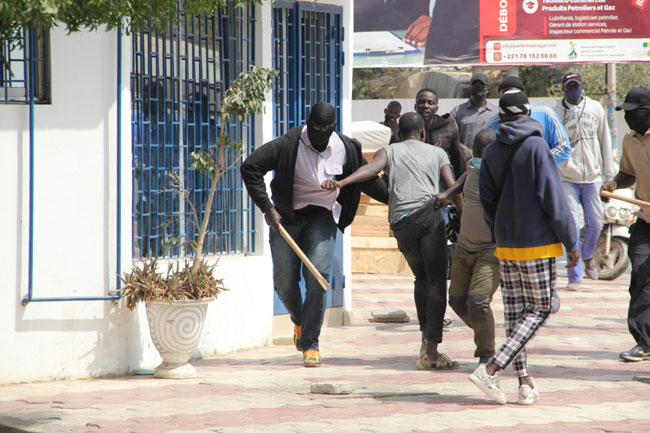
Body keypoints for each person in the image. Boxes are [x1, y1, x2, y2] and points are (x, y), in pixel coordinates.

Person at [240, 102, 388, 368]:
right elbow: (250, 167)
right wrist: (267, 207)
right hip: (288, 218)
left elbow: (366, 180)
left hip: (323, 217)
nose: (320, 134)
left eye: (326, 129)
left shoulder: (347, 148)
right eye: (315, 128)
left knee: (318, 278)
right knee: (285, 283)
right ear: (308, 122)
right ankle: (300, 320)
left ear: (333, 127)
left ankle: (310, 343)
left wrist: (398, 199)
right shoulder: (289, 143)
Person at [322, 112, 462, 370]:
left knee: (421, 278)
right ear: (422, 133)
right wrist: (462, 217)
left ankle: (425, 343)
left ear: (400, 133)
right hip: (428, 217)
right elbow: (452, 187)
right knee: (437, 282)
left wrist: (342, 182)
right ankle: (431, 352)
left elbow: (371, 170)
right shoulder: (438, 153)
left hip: (400, 223)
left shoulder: (389, 150)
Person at [472, 91, 579, 405]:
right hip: (538, 244)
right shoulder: (537, 146)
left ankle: (524, 383)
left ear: (502, 115)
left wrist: (502, 232)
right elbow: (554, 200)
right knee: (541, 309)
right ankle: (490, 368)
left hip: (506, 244)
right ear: (529, 113)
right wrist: (571, 242)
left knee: (517, 315)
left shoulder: (491, 151)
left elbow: (487, 202)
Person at [437, 129, 500, 366]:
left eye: (481, 154)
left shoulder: (504, 175)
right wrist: (447, 194)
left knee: (478, 300)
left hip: (490, 249)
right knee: (457, 301)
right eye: (475, 152)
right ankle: (487, 333)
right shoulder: (474, 167)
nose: (476, 157)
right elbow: (464, 176)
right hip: (464, 246)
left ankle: (487, 353)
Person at [554, 72, 616, 290]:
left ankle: (588, 254)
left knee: (596, 221)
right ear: (563, 88)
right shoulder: (556, 113)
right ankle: (574, 275)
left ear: (582, 87)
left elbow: (605, 141)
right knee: (570, 223)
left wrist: (610, 176)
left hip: (593, 175)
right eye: (570, 86)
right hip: (567, 176)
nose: (573, 90)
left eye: (576, 86)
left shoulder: (595, 108)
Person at [602, 86, 650, 362]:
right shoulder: (630, 140)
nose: (629, 119)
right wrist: (613, 184)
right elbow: (627, 174)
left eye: (633, 113)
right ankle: (645, 341)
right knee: (641, 276)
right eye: (626, 113)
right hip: (645, 220)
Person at [487, 76, 571, 166]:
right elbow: (484, 157)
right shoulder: (491, 124)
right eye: (506, 94)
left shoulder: (546, 114)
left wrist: (535, 161)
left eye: (515, 94)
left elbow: (564, 148)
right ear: (499, 96)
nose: (512, 98)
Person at [414, 88, 466, 180]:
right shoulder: (408, 126)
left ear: (436, 109)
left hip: (441, 186)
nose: (425, 106)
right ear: (415, 106)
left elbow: (459, 164)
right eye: (421, 102)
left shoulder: (448, 128)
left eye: (430, 103)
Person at [450, 73, 498, 160]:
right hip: (465, 160)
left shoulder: (496, 112)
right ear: (470, 88)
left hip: (489, 160)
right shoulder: (457, 111)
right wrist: (461, 147)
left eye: (482, 85)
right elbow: (451, 136)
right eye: (475, 85)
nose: (478, 88)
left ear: (488, 89)